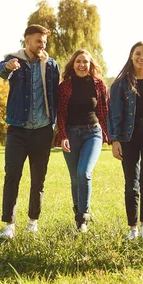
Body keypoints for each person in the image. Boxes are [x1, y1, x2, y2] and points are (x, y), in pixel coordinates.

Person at [0, 24, 60, 240]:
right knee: (12, 175)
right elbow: (1, 72)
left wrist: (55, 126)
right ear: (27, 42)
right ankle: (9, 225)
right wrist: (8, 67)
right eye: (38, 41)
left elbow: (56, 97)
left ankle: (33, 221)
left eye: (44, 42)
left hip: (42, 130)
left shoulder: (51, 65)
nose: (42, 45)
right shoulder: (14, 61)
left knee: (38, 179)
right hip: (18, 130)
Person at [108, 41, 143, 242]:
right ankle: (132, 228)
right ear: (131, 56)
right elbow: (114, 114)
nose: (142, 57)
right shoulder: (120, 84)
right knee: (131, 183)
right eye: (138, 54)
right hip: (128, 137)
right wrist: (114, 140)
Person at [55, 49, 110, 232]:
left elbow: (104, 111)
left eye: (85, 62)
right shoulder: (64, 87)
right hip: (70, 134)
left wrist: (109, 135)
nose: (81, 65)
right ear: (73, 64)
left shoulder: (98, 84)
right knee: (74, 178)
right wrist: (62, 136)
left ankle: (83, 218)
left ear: (90, 65)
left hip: (92, 133)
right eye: (78, 61)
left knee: (84, 173)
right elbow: (61, 114)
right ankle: (79, 217)